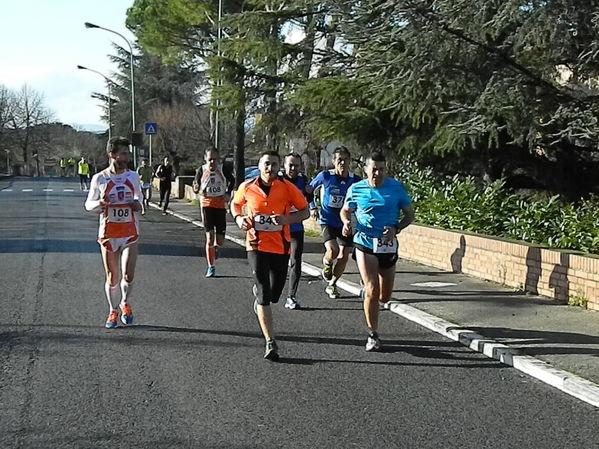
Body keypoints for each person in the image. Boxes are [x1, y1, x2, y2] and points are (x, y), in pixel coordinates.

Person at [231, 151, 309, 361]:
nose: (270, 168)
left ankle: (261, 298)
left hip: (281, 247)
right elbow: (235, 204)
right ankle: (270, 342)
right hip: (255, 245)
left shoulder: (287, 188)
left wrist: (286, 219)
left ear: (278, 167)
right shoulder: (247, 187)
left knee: (274, 294)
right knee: (264, 294)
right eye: (266, 164)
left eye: (274, 165)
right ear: (259, 165)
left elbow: (305, 211)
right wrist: (239, 219)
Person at [340, 152, 415, 351]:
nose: (377, 173)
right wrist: (347, 222)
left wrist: (396, 228)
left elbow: (410, 215)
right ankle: (373, 335)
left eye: (381, 169)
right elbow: (345, 210)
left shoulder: (396, 188)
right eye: (373, 169)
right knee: (373, 289)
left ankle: (369, 293)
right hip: (364, 241)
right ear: (365, 170)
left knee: (384, 297)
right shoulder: (356, 189)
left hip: (387, 244)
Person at [84, 136, 143, 329]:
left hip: (129, 231)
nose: (126, 157)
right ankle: (113, 310)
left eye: (128, 153)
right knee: (112, 276)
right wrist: (99, 203)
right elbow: (88, 204)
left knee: (128, 275)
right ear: (112, 155)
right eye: (123, 153)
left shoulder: (133, 176)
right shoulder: (99, 178)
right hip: (109, 233)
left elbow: (140, 199)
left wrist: (137, 204)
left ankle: (125, 302)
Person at [307, 145, 361, 299]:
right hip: (327, 220)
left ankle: (332, 284)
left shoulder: (355, 180)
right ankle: (327, 261)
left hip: (345, 223)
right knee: (333, 251)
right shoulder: (325, 176)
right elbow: (308, 190)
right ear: (333, 161)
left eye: (345, 160)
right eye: (339, 160)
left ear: (350, 161)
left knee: (344, 256)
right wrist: (312, 207)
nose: (342, 163)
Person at [193, 148, 235, 277]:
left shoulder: (223, 169)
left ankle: (216, 247)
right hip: (206, 204)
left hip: (220, 205)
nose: (212, 162)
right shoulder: (201, 170)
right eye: (210, 159)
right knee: (209, 237)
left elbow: (232, 181)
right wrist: (196, 189)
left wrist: (228, 193)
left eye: (215, 159)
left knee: (220, 240)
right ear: (205, 158)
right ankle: (211, 267)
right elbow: (196, 184)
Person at [281, 152, 313, 309]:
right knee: (278, 262)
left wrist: (310, 197)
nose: (293, 168)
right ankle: (266, 287)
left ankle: (291, 296)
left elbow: (309, 198)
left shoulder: (303, 180)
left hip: (296, 228)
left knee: (295, 261)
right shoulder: (278, 181)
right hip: (278, 229)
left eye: (296, 165)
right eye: (290, 165)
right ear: (284, 165)